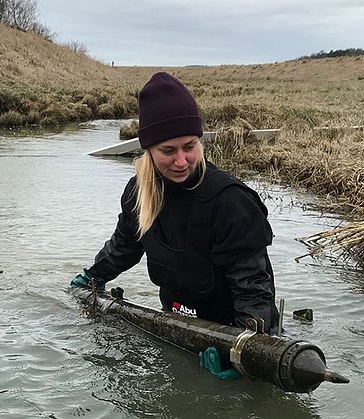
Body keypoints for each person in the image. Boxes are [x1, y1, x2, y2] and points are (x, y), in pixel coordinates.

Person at [71, 72, 279, 339]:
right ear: (148, 150)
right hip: (175, 325)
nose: (181, 161)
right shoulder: (139, 193)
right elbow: (124, 247)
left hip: (231, 329)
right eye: (168, 151)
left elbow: (253, 289)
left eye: (189, 146)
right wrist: (92, 277)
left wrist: (243, 353)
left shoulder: (231, 201)